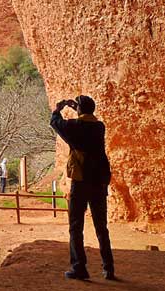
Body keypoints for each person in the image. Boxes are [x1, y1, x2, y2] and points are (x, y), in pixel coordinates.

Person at [51, 95, 116, 281]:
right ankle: (108, 268)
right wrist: (78, 109)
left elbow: (56, 123)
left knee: (75, 226)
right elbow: (86, 119)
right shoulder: (99, 127)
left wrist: (59, 109)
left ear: (79, 110)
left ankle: (79, 267)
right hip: (98, 182)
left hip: (81, 183)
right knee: (101, 227)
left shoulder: (74, 127)